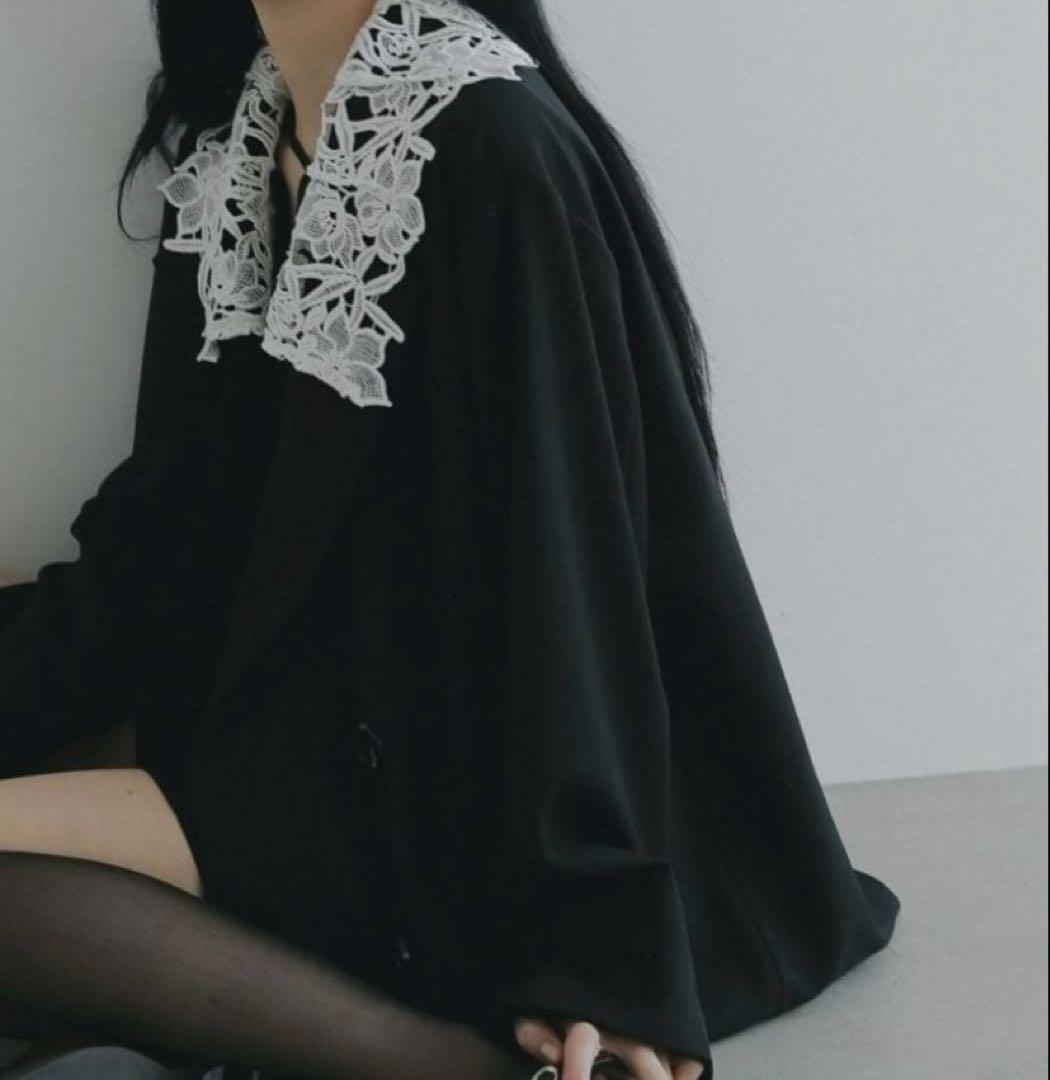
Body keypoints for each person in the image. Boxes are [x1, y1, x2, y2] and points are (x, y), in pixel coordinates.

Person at [0, 1, 902, 1078]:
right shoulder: (241, 146)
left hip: (447, 804)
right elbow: (161, 554)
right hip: (280, 741)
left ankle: (448, 1064)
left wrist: (599, 957)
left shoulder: (496, 142)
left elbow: (571, 574)